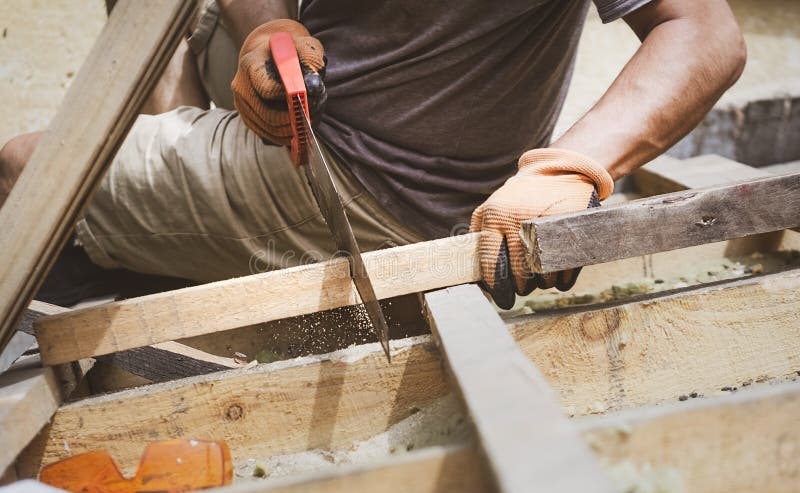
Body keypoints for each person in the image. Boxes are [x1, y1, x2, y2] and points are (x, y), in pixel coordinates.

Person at [0, 0, 746, 309]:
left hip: (375, 190)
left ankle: (161, 239)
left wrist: (568, 167)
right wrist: (271, 29)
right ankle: (176, 217)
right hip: (313, 106)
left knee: (20, 173)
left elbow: (703, 31)